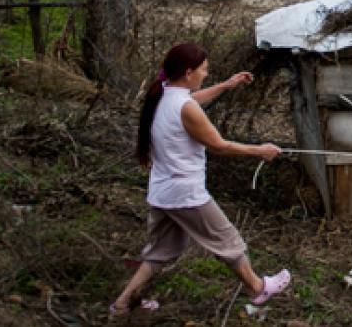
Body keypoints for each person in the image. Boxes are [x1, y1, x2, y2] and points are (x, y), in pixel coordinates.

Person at [110, 43, 289, 315]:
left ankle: (123, 304)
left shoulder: (164, 95)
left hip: (163, 191)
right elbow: (218, 145)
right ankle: (257, 288)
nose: (206, 74)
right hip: (185, 193)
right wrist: (259, 151)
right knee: (228, 240)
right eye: (204, 70)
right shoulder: (183, 106)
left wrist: (226, 85)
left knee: (159, 253)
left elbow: (192, 100)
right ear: (188, 71)